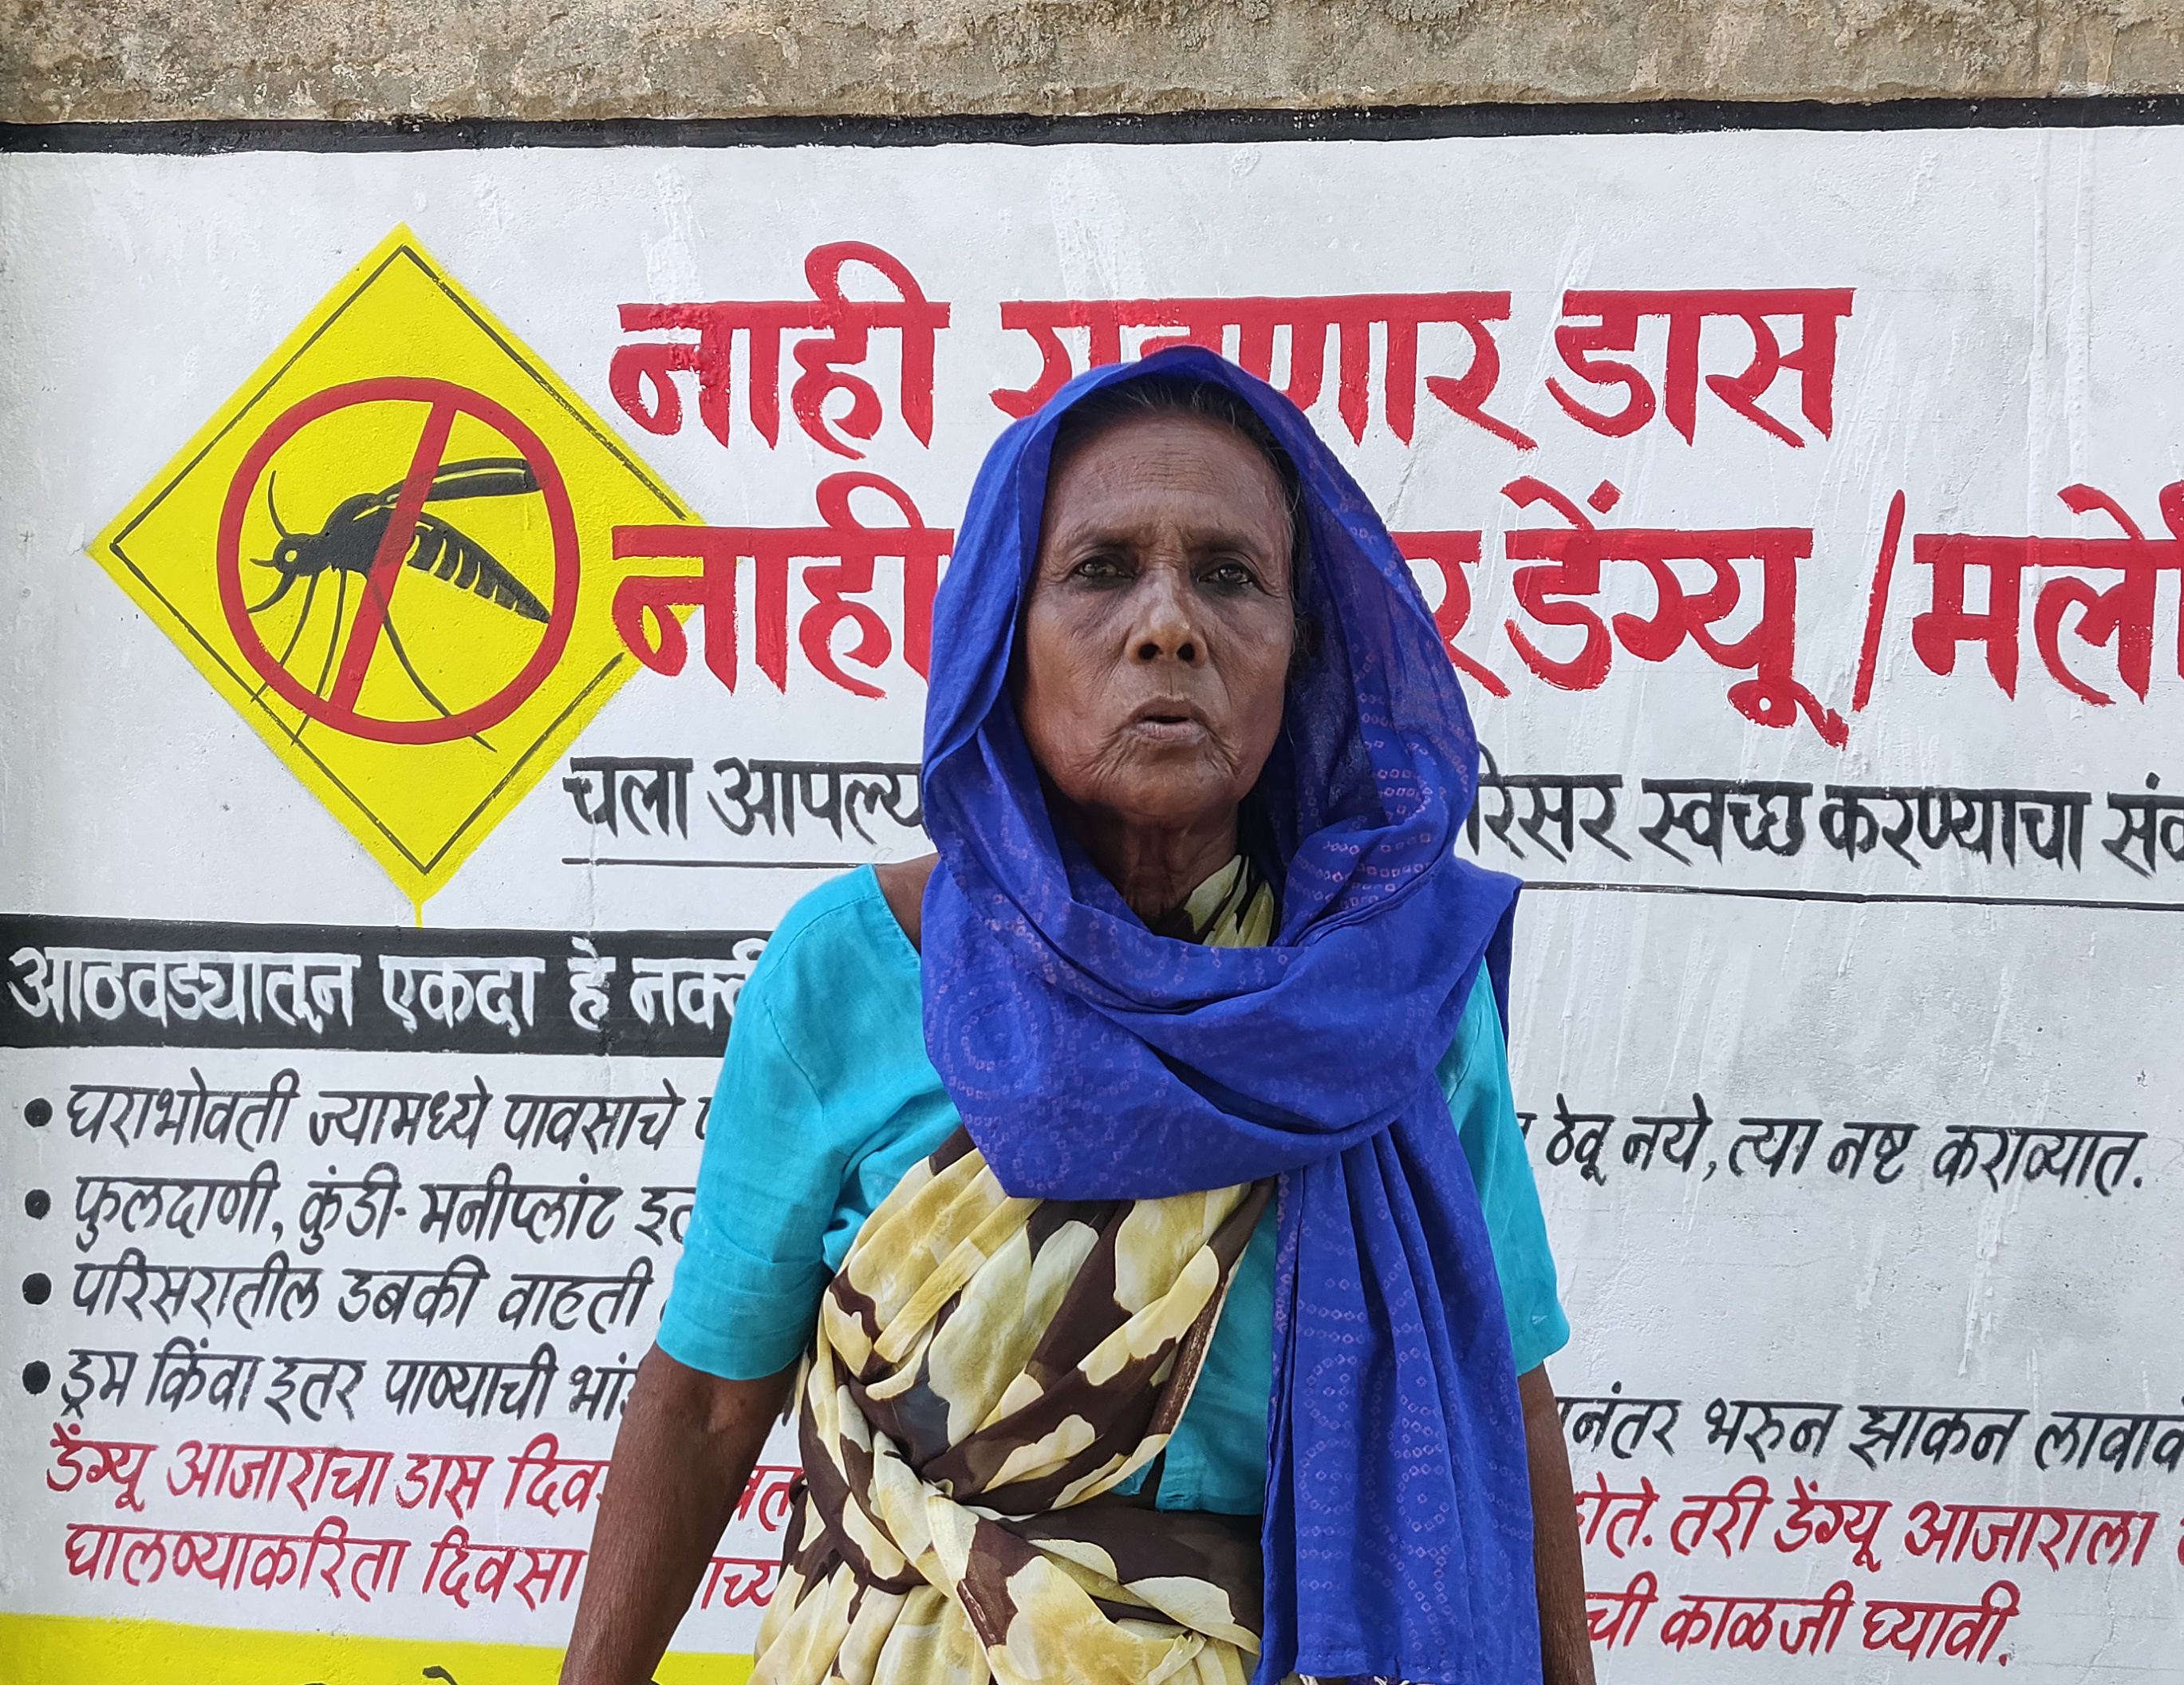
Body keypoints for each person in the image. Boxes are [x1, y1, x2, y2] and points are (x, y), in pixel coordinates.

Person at [560, 346, 1592, 1685]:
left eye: (1231, 576)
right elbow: (705, 1402)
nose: (1169, 626)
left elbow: (1496, 1399)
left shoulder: (1386, 999)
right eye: (1101, 570)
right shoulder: (853, 971)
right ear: (1005, 634)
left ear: (1299, 653)